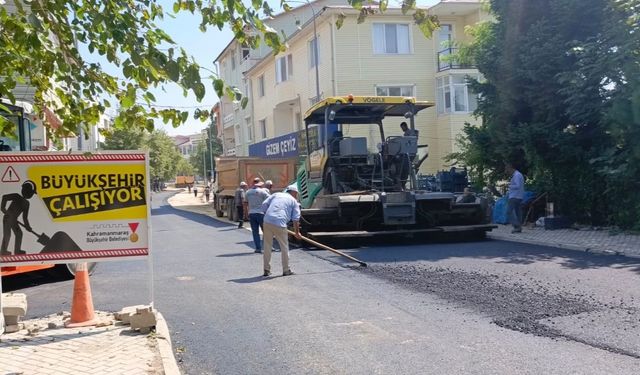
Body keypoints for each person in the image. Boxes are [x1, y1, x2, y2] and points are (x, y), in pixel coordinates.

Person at [260, 184, 302, 277]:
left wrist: (269, 215)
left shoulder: (276, 194)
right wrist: (297, 232)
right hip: (280, 222)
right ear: (294, 192)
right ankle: (286, 270)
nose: (296, 196)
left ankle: (266, 270)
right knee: (284, 247)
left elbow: (264, 205)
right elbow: (296, 218)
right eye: (296, 194)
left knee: (267, 246)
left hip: (267, 221)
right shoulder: (293, 201)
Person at [1, 180, 36, 256]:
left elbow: (25, 217)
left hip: (14, 220)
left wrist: (28, 227)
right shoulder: (16, 196)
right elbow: (4, 197)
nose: (31, 194)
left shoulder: (27, 203)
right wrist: (3, 209)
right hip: (7, 218)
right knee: (7, 234)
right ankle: (3, 251)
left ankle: (17, 251)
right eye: (31, 193)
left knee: (19, 234)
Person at [245, 177, 270, 253]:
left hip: (252, 214)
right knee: (266, 231)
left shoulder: (248, 192)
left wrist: (246, 214)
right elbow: (270, 200)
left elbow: (245, 203)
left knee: (255, 232)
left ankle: (258, 248)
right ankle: (268, 247)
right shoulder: (263, 192)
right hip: (261, 214)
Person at [505, 163, 525, 233]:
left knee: (508, 211)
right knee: (518, 212)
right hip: (519, 196)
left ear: (511, 168)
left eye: (507, 170)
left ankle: (516, 225)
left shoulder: (517, 175)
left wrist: (509, 186)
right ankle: (519, 228)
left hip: (514, 196)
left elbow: (517, 186)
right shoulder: (518, 175)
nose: (507, 172)